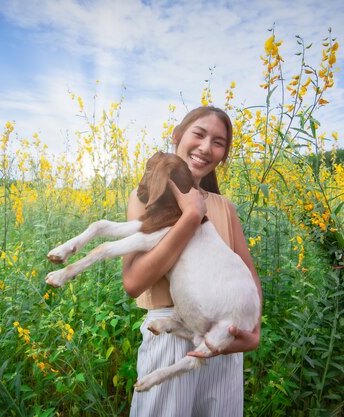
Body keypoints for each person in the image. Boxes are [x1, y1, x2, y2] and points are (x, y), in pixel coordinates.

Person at [122, 106, 263, 417]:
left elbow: (250, 275)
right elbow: (133, 283)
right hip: (170, 338)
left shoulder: (224, 207)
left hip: (225, 342)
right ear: (177, 136)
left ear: (224, 154)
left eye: (218, 142)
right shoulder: (147, 197)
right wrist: (190, 216)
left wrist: (254, 330)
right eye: (198, 134)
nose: (205, 147)